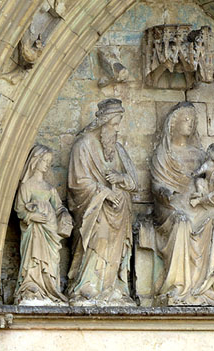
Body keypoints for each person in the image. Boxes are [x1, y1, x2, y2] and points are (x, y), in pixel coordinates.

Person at [150, 101, 214, 306]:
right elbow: (156, 185)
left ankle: (213, 289)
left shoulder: (200, 155)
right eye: (185, 119)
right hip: (172, 206)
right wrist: (165, 192)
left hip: (200, 206)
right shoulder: (163, 155)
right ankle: (178, 287)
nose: (190, 123)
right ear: (173, 124)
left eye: (193, 120)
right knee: (182, 222)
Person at [66, 98, 138, 306]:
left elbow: (133, 182)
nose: (116, 130)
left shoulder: (118, 150)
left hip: (119, 211)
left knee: (114, 246)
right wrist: (104, 192)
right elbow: (77, 181)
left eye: (118, 125)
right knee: (99, 239)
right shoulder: (84, 145)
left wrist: (120, 178)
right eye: (114, 124)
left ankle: (111, 286)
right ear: (103, 123)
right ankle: (88, 285)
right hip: (95, 209)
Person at [14, 145, 73, 305]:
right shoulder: (27, 186)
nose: (47, 164)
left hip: (49, 230)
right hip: (34, 231)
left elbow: (59, 207)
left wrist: (65, 214)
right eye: (45, 160)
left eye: (49, 161)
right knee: (33, 258)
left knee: (51, 259)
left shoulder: (49, 188)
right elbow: (19, 209)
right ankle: (32, 284)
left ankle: (49, 288)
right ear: (36, 161)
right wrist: (32, 216)